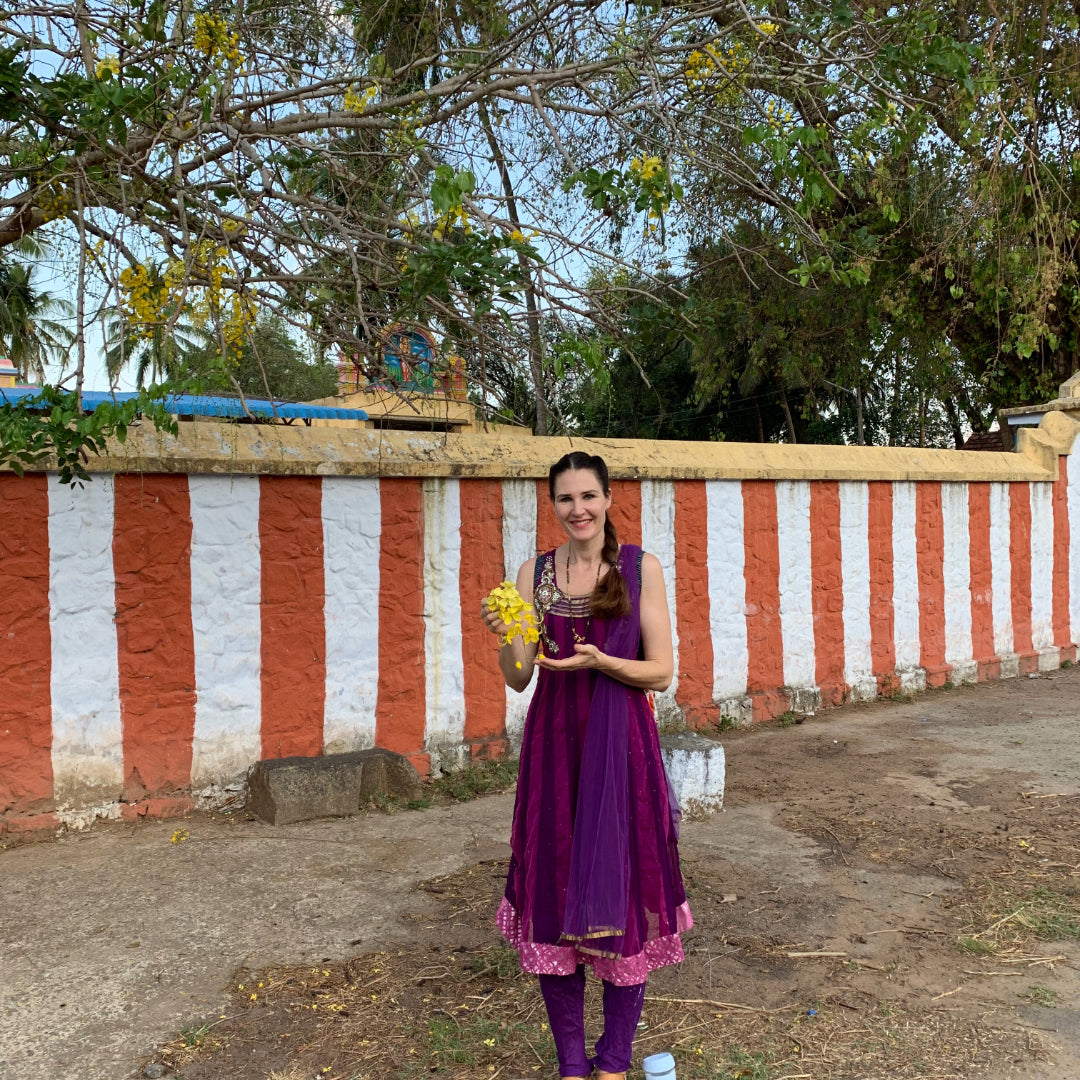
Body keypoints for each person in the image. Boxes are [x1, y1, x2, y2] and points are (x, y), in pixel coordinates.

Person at [481, 451, 692, 1080]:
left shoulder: (637, 569)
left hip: (621, 747)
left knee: (621, 889)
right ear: (553, 506)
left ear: (608, 500)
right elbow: (520, 678)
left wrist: (602, 663)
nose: (578, 510)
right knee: (555, 887)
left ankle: (614, 1063)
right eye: (566, 499)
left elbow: (661, 671)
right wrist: (507, 636)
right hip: (555, 747)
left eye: (589, 497)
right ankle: (572, 1065)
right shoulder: (532, 574)